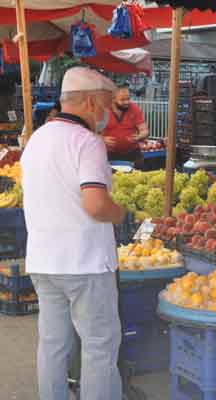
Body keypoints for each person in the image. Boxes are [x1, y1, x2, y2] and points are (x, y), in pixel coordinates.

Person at [21, 67, 126, 400]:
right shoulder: (87, 142)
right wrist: (121, 213)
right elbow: (96, 205)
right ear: (92, 102)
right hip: (85, 263)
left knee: (52, 345)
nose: (107, 113)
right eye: (106, 105)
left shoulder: (36, 139)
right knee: (98, 348)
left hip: (43, 260)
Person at [102, 82, 149, 168]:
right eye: (122, 100)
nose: (127, 102)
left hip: (133, 154)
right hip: (108, 155)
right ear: (113, 99)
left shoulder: (134, 108)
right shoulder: (103, 110)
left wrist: (139, 136)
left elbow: (145, 131)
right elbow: (91, 132)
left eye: (128, 99)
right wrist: (102, 139)